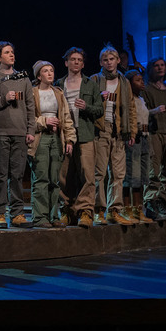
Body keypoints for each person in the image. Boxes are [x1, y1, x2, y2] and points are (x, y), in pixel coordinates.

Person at [0, 41, 36, 228]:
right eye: (7, 52)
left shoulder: (23, 78)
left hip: (19, 132)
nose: (12, 55)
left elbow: (30, 107)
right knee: (0, 175)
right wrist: (3, 100)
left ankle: (17, 213)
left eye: (12, 52)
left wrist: (30, 130)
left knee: (17, 175)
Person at [56, 47, 103, 228]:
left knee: (87, 174)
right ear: (66, 62)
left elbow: (99, 110)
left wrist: (86, 107)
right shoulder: (59, 83)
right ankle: (67, 210)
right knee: (64, 175)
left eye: (79, 60)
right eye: (72, 59)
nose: (76, 62)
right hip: (65, 135)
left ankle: (85, 211)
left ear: (83, 64)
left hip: (85, 134)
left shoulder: (90, 84)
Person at [90, 46, 137, 226]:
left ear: (118, 60)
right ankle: (99, 210)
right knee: (99, 172)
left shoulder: (124, 82)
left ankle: (114, 209)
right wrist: (98, 98)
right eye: (105, 60)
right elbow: (87, 104)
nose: (109, 62)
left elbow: (131, 108)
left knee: (118, 173)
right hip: (101, 129)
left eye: (112, 59)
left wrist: (132, 131)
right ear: (101, 62)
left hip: (119, 130)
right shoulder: (94, 79)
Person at [28, 60, 76, 228]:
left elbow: (66, 117)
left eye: (51, 70)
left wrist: (69, 139)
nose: (50, 73)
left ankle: (53, 215)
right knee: (41, 178)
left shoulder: (58, 93)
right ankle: (39, 217)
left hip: (56, 138)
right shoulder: (32, 93)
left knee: (55, 180)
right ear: (38, 75)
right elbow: (27, 120)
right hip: (40, 138)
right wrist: (44, 121)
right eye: (45, 71)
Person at [142, 57, 166, 221]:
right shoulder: (146, 90)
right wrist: (155, 111)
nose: (159, 68)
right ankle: (151, 202)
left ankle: (162, 202)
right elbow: (142, 113)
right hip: (154, 134)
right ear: (150, 69)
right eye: (156, 66)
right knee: (153, 170)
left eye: (162, 65)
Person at [125, 69, 154, 223]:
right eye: (137, 80)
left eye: (142, 79)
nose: (142, 82)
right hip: (133, 138)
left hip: (144, 138)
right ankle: (127, 208)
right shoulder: (128, 100)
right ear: (129, 83)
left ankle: (139, 209)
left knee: (143, 176)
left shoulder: (141, 99)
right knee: (131, 175)